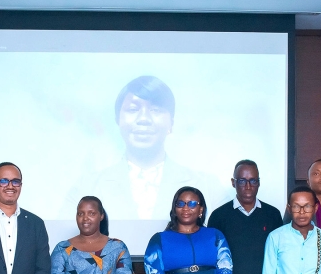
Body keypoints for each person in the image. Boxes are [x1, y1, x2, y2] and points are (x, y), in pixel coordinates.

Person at [65, 76, 215, 221]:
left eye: (155, 110)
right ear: (118, 119)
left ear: (171, 122)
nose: (144, 119)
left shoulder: (207, 186)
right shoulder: (86, 186)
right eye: (132, 109)